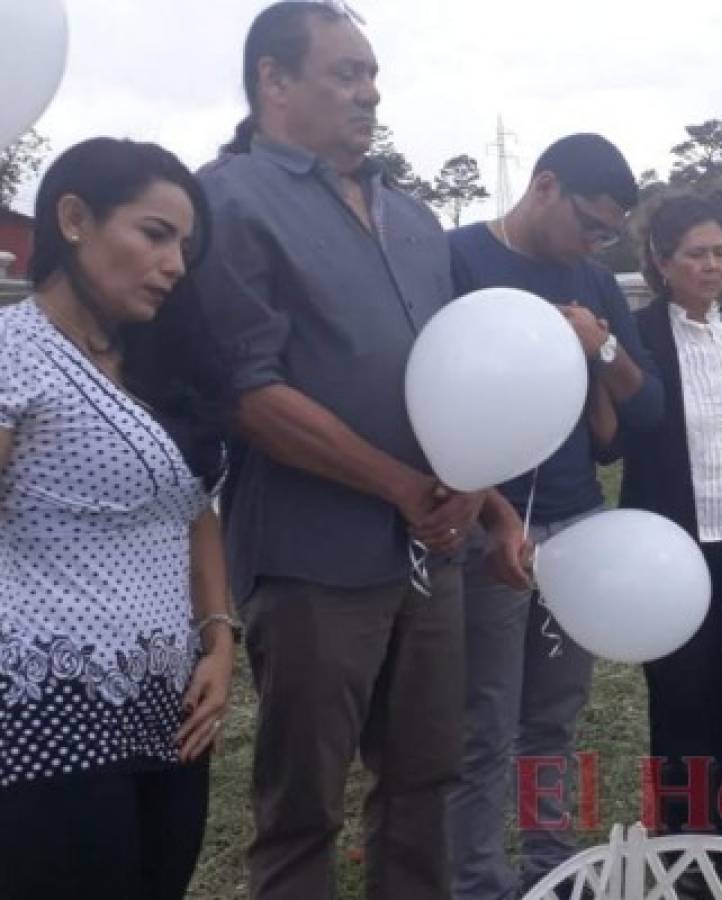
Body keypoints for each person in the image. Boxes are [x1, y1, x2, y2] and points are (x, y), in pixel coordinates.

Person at [190, 5, 524, 899]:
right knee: (303, 804)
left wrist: (477, 492)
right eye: (345, 72)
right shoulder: (225, 202)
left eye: (371, 72)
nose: (369, 91)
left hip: (432, 548)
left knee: (425, 781)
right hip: (312, 559)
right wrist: (402, 486)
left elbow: (460, 369)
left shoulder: (413, 216)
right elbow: (249, 394)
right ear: (273, 80)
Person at [0, 137, 233, 900]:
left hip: (171, 705)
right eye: (154, 234)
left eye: (184, 246)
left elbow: (193, 512)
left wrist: (220, 644)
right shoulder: (14, 356)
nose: (174, 264)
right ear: (73, 219)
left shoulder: (160, 362)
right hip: (46, 707)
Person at [445, 133, 664, 899]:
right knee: (483, 725)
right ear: (543, 188)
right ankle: (478, 883)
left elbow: (650, 409)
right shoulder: (458, 260)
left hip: (576, 525)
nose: (595, 243)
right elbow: (431, 411)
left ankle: (552, 870)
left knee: (552, 721)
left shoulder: (595, 284)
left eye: (609, 234)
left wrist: (601, 348)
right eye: (589, 224)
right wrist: (497, 520)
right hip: (482, 527)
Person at [614, 194, 722, 866]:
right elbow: (626, 427)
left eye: (719, 252)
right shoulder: (640, 336)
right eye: (695, 254)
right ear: (662, 262)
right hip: (673, 547)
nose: (711, 265)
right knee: (679, 694)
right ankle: (682, 842)